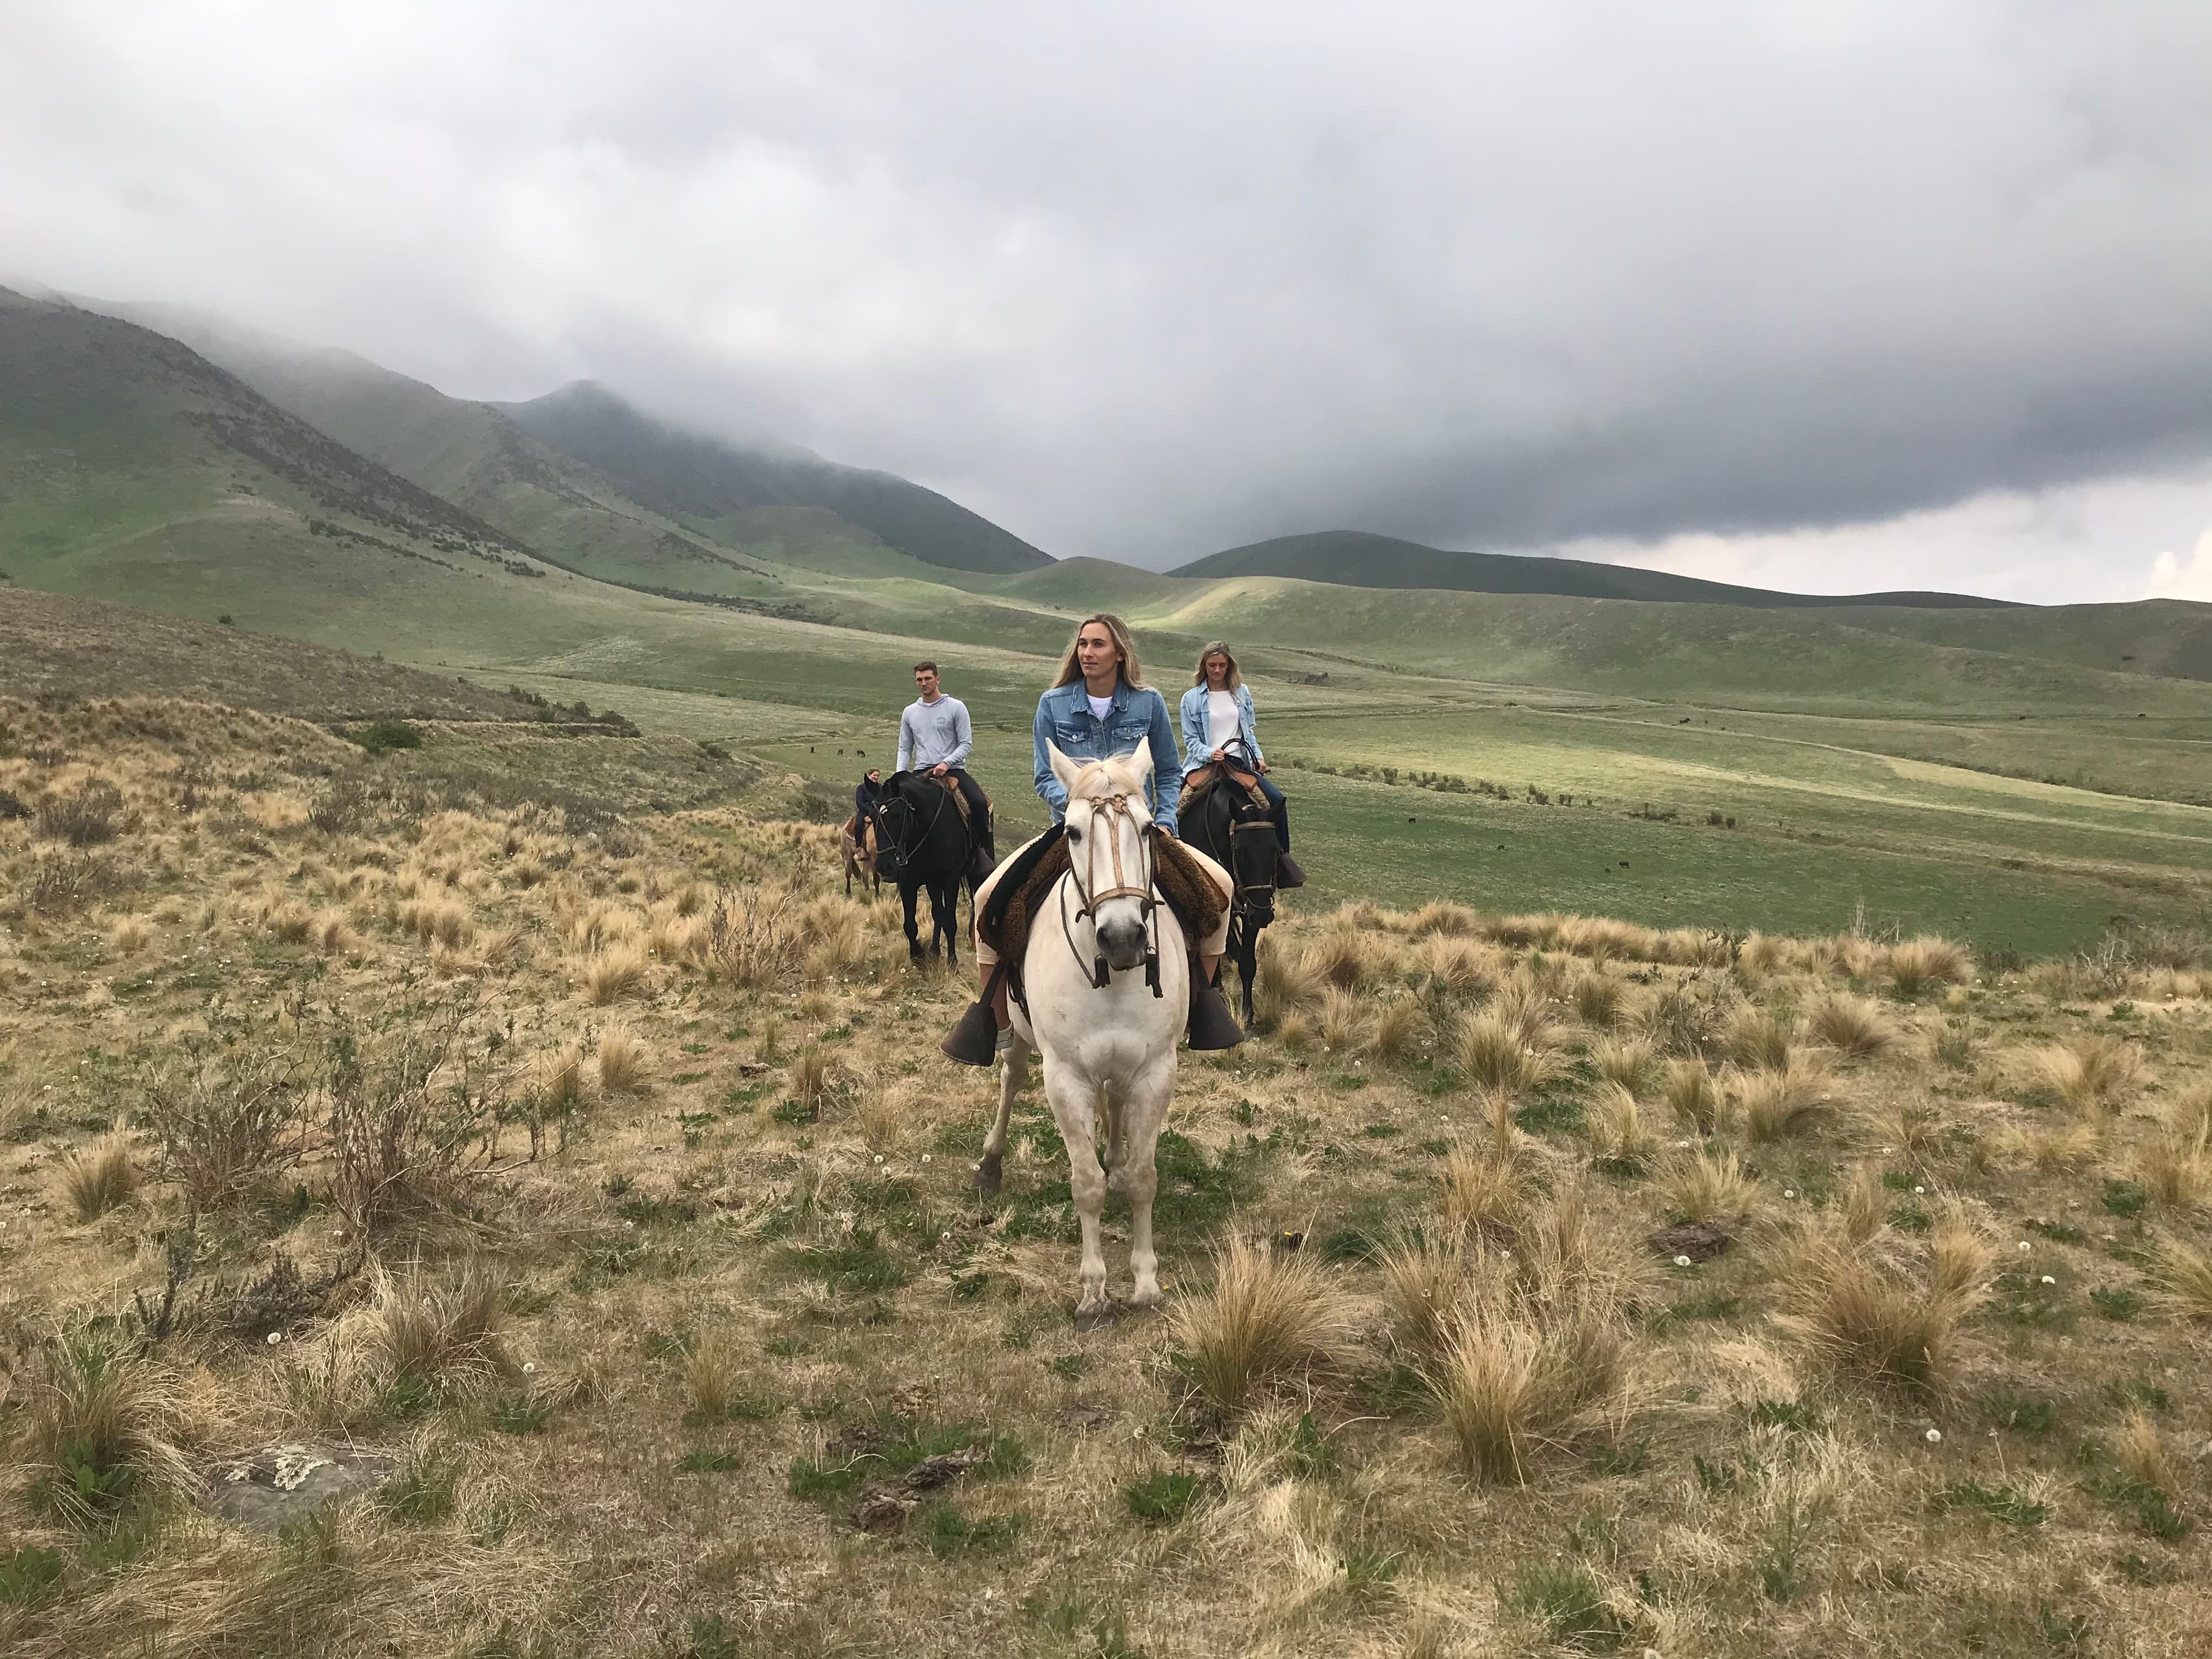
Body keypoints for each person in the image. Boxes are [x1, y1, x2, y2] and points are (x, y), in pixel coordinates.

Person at [957, 612, 1238, 1055]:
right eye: (1083, 645)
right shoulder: (1053, 704)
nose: (1087, 652)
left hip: (1138, 830)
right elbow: (1043, 776)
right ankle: (994, 1020)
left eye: (1098, 645)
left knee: (1220, 886)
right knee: (988, 899)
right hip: (1075, 830)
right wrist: (1080, 803)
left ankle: (1201, 1004)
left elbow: (1167, 771)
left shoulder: (1148, 704)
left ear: (1120, 654)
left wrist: (1164, 819)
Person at [1177, 641, 1304, 887]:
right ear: (1204, 666)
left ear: (1229, 666)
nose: (1217, 670)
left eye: (1222, 665)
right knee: (1173, 808)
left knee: (1276, 801)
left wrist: (1258, 756)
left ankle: (1282, 862)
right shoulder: (1190, 699)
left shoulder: (1241, 693)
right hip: (1204, 764)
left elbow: (1248, 732)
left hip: (1238, 763)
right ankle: (1166, 857)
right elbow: (1190, 740)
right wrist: (1209, 753)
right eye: (1212, 665)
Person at [850, 661, 990, 844]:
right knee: (895, 809)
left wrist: (946, 763)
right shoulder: (910, 712)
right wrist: (900, 774)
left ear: (937, 679)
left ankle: (983, 856)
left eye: (928, 678)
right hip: (921, 771)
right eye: (919, 680)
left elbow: (965, 744)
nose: (924, 683)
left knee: (979, 803)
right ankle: (896, 859)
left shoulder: (956, 707)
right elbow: (905, 747)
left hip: (953, 770)